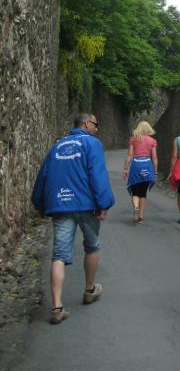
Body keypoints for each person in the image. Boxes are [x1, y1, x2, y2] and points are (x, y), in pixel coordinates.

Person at [31, 112, 115, 324]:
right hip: (87, 206)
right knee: (92, 246)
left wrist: (40, 204)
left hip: (61, 205)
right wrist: (104, 203)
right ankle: (90, 289)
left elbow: (43, 176)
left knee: (59, 255)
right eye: (95, 124)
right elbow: (98, 174)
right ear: (86, 124)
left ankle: (57, 307)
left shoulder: (58, 145)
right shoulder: (92, 144)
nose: (97, 128)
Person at [122, 121, 158, 222]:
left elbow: (130, 155)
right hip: (147, 166)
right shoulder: (152, 141)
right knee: (143, 192)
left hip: (136, 166)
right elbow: (154, 157)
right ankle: (141, 216)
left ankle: (136, 207)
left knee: (135, 191)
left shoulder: (133, 139)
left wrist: (125, 168)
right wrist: (155, 172)